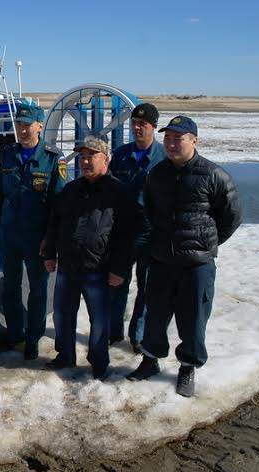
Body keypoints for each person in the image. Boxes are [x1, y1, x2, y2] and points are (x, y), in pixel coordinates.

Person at [126, 116, 242, 397]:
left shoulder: (214, 175)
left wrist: (205, 243)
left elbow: (231, 217)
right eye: (168, 138)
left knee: (192, 319)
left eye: (178, 138)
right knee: (155, 315)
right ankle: (150, 359)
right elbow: (151, 210)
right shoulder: (157, 174)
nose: (171, 143)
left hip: (196, 265)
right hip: (163, 260)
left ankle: (188, 366)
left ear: (194, 141)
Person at [43, 135, 138, 379]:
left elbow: (128, 235)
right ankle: (65, 355)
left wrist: (120, 269)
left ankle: (98, 363)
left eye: (91, 156)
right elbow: (54, 223)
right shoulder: (71, 190)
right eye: (82, 156)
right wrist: (49, 253)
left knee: (99, 320)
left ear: (105, 160)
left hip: (99, 268)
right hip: (67, 266)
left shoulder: (118, 192)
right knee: (63, 314)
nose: (85, 161)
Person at [0, 103, 67, 360]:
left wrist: (51, 240)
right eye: (19, 125)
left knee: (37, 290)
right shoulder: (8, 154)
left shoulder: (53, 158)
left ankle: (33, 338)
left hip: (38, 238)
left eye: (27, 125)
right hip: (10, 235)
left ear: (40, 126)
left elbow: (59, 205)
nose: (22, 130)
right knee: (9, 287)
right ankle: (15, 334)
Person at [108, 103, 166, 351]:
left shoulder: (164, 158)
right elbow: (109, 189)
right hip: (122, 231)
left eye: (142, 124)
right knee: (116, 282)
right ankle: (113, 332)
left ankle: (138, 335)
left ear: (153, 126)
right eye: (133, 123)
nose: (137, 128)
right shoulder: (121, 155)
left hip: (151, 233)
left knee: (146, 287)